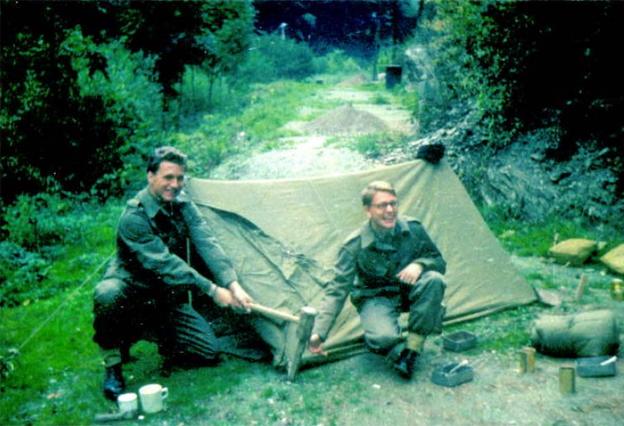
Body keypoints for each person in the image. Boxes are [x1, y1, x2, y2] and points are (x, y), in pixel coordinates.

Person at [92, 146, 253, 400]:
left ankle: (160, 338)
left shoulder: (182, 203)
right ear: (150, 176)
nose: (175, 184)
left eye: (179, 178)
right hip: (131, 291)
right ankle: (113, 363)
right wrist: (212, 290)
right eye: (168, 177)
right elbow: (166, 264)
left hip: (163, 297)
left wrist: (233, 285)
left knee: (208, 351)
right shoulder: (133, 218)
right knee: (107, 294)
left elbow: (206, 241)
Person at [309, 181, 447, 379]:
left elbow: (438, 261)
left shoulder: (413, 229)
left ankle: (411, 351)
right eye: (382, 205)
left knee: (434, 279)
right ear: (367, 210)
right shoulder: (354, 245)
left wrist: (420, 265)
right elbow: (337, 290)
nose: (390, 210)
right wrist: (319, 333)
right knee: (383, 338)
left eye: (393, 203)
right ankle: (384, 337)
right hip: (376, 297)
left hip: (408, 291)